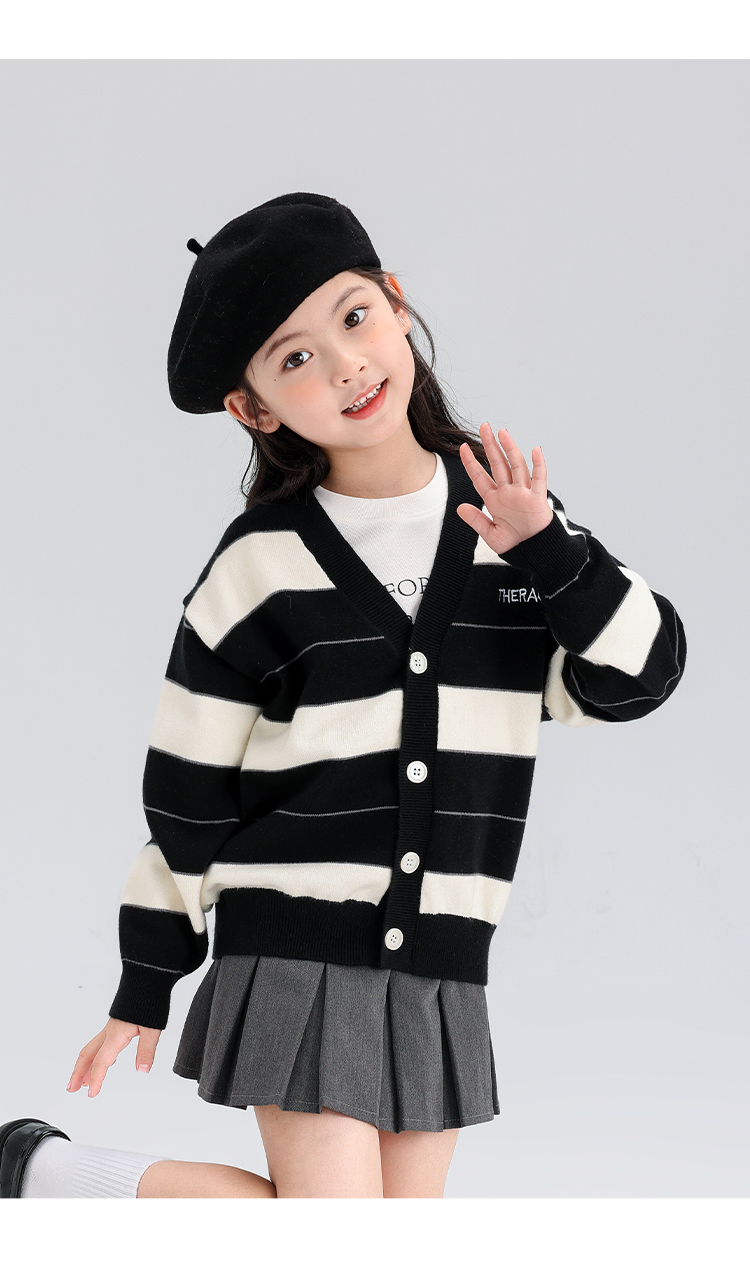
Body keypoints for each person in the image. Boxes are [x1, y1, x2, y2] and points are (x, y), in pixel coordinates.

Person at [1, 193, 686, 1200]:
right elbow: (187, 793)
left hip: (443, 961)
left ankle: (48, 1175)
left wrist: (551, 551)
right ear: (254, 410)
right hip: (290, 944)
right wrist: (148, 976)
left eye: (355, 317)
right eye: (294, 358)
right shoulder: (258, 565)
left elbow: (637, 677)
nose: (345, 365)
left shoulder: (512, 529)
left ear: (397, 304)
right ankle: (50, 1175)